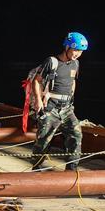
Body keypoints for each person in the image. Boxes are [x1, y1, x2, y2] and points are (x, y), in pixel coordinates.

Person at [31, 32, 89, 170]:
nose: (77, 54)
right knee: (44, 140)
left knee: (76, 134)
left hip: (67, 108)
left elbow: (73, 81)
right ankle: (37, 167)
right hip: (51, 107)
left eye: (80, 51)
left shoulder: (76, 63)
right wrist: (38, 100)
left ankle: (71, 169)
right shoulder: (52, 62)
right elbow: (36, 81)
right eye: (75, 50)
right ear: (67, 47)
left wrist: (71, 99)